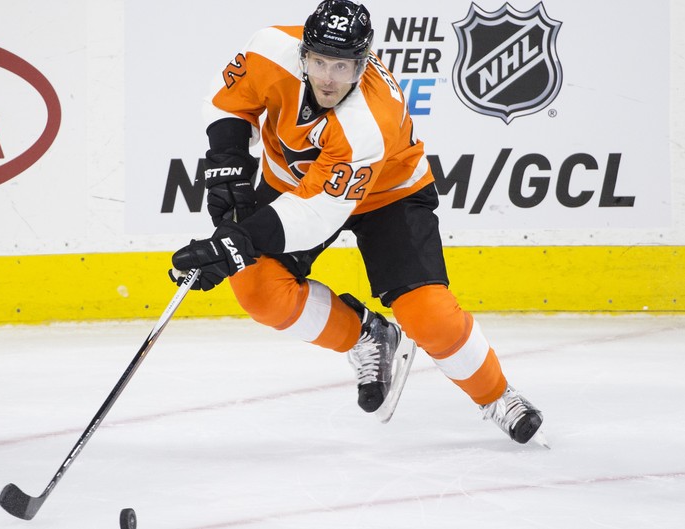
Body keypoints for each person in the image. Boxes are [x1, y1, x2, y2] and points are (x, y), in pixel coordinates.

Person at [170, 0, 546, 445]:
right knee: (258, 290)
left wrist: (235, 242)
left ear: (362, 64)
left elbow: (315, 213)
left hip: (389, 193)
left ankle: (497, 395)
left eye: (343, 66)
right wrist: (228, 160)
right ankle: (368, 335)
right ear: (303, 54)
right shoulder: (270, 48)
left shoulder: (369, 121)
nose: (328, 78)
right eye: (319, 62)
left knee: (428, 316)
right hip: (294, 182)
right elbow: (229, 101)